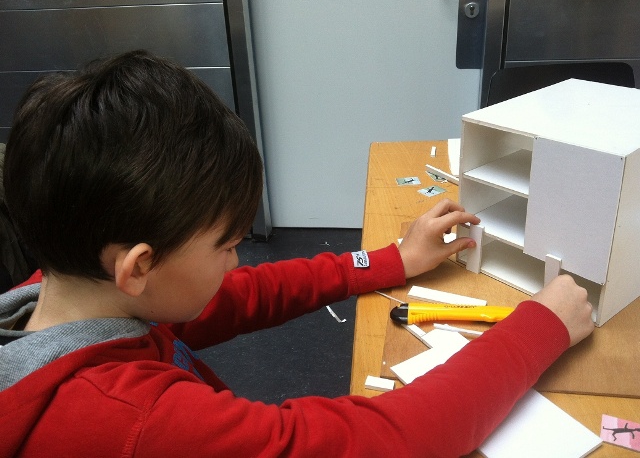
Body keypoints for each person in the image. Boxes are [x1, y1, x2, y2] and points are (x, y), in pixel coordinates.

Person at [0, 50, 594, 458]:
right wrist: (536, 330)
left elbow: (247, 295)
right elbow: (382, 441)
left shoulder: (60, 295)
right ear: (138, 266)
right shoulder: (133, 422)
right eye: (227, 245)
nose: (237, 263)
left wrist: (389, 262)